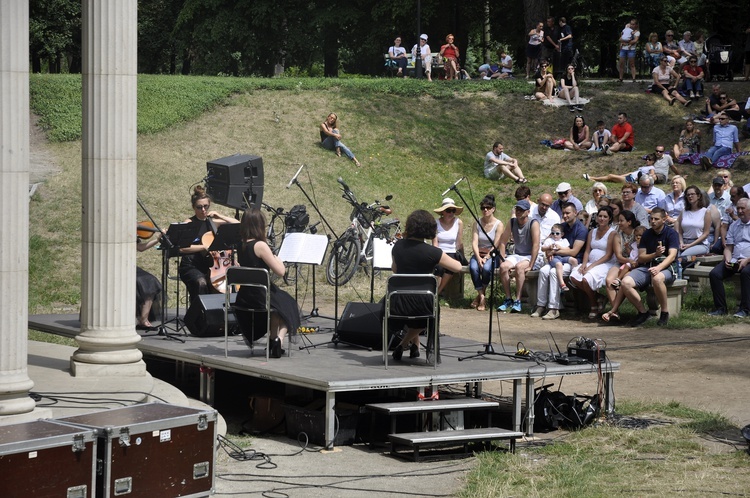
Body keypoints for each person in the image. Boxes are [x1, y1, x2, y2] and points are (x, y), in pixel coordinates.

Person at [389, 210, 462, 362]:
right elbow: (457, 267)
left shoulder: (398, 246)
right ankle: (402, 345)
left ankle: (415, 346)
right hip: (422, 302)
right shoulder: (433, 252)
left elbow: (395, 270)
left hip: (397, 300)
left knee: (411, 306)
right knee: (427, 314)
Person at [234, 209, 300, 358]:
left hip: (245, 295)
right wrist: (278, 259)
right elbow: (280, 272)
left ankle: (273, 341)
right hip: (261, 295)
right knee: (289, 305)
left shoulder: (241, 244)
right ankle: (278, 339)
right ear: (260, 225)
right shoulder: (260, 246)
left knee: (278, 307)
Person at [612, 207, 679, 327]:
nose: (652, 221)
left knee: (657, 279)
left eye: (656, 219)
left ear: (664, 219)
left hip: (667, 267)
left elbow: (672, 256)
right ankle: (643, 313)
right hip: (647, 266)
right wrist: (655, 254)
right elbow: (641, 257)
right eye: (651, 218)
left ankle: (664, 312)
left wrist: (659, 268)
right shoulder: (647, 234)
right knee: (626, 282)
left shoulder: (671, 233)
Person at [179, 185, 239, 306]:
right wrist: (204, 247)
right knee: (201, 283)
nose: (203, 210)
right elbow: (182, 248)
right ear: (193, 207)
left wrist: (220, 216)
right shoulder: (189, 223)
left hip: (212, 265)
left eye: (206, 206)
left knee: (228, 282)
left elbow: (238, 224)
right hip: (191, 265)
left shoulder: (213, 223)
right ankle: (199, 315)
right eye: (199, 207)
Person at [532, 202, 587, 320]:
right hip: (557, 259)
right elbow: (547, 241)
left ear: (575, 213)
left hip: (573, 261)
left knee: (553, 273)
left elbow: (574, 252)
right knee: (543, 271)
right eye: (564, 213)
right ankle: (541, 305)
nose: (565, 216)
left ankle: (554, 308)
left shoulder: (581, 229)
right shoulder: (562, 226)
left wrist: (554, 252)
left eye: (568, 213)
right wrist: (548, 250)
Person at [570, 206, 617, 319]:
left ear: (609, 218)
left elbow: (608, 255)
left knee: (586, 279)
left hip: (606, 264)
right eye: (600, 216)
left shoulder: (612, 233)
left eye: (605, 217)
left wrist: (592, 266)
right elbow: (587, 250)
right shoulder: (592, 231)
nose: (602, 219)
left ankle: (593, 305)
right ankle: (598, 297)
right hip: (591, 262)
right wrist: (585, 264)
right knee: (574, 276)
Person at [708, 198, 750, 317]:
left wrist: (747, 260)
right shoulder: (734, 225)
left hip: (749, 260)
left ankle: (745, 309)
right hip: (735, 260)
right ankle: (721, 308)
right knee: (715, 274)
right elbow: (728, 247)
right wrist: (727, 258)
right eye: (738, 208)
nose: (740, 211)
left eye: (743, 208)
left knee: (746, 273)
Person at [497, 199, 540, 313]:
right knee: (503, 267)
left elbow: (536, 245)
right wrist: (502, 259)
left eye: (521, 210)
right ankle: (508, 298)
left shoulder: (533, 223)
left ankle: (518, 300)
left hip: (530, 255)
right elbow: (502, 241)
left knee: (520, 267)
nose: (518, 212)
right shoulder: (512, 222)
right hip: (517, 254)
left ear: (527, 212)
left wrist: (531, 265)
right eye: (517, 209)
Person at [603, 212, 645, 323]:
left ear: (629, 222)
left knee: (624, 281)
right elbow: (618, 256)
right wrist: (629, 260)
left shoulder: (639, 233)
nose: (619, 223)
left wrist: (633, 262)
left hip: (635, 264)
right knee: (609, 280)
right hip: (622, 262)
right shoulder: (618, 235)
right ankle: (616, 314)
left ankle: (613, 311)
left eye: (621, 221)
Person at [469, 195, 503, 312]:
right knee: (473, 267)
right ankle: (482, 296)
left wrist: (487, 257)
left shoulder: (499, 224)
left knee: (487, 269)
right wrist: (478, 257)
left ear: (493, 209)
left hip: (492, 253)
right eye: (483, 208)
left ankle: (479, 295)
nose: (485, 210)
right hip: (479, 252)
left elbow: (496, 244)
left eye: (488, 208)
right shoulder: (477, 223)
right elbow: (474, 242)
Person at [432, 198, 465, 295]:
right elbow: (435, 243)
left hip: (453, 251)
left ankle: (438, 291)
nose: (451, 213)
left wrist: (462, 257)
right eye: (448, 210)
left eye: (453, 210)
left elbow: (459, 243)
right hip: (439, 251)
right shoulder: (436, 223)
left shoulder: (459, 222)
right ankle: (437, 290)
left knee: (450, 266)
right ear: (443, 212)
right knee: (439, 266)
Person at [675, 185, 712, 265]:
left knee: (682, 256)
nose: (690, 196)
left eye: (692, 194)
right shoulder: (684, 211)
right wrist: (681, 242)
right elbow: (680, 231)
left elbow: (706, 233)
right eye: (688, 195)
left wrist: (689, 245)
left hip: (699, 243)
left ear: (698, 196)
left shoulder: (705, 212)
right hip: (684, 241)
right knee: (673, 254)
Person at [136, 231, 163, 330]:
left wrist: (157, 240)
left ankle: (144, 319)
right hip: (113, 264)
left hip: (130, 265)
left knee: (151, 281)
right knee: (140, 282)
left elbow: (140, 248)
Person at [583, 153, 656, 185]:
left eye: (649, 159)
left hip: (632, 180)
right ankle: (592, 181)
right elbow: (631, 172)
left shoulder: (651, 167)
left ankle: (592, 178)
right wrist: (621, 176)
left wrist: (640, 179)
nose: (647, 160)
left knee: (610, 176)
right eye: (646, 159)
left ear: (653, 161)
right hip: (629, 177)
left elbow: (651, 176)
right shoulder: (643, 167)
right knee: (610, 179)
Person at [540, 223, 573, 292]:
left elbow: (568, 249)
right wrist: (549, 247)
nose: (555, 235)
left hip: (563, 257)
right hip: (554, 258)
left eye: (557, 233)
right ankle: (562, 284)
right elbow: (542, 248)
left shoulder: (564, 241)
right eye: (553, 233)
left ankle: (573, 278)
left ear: (562, 234)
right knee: (559, 265)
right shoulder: (549, 240)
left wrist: (560, 248)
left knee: (574, 260)